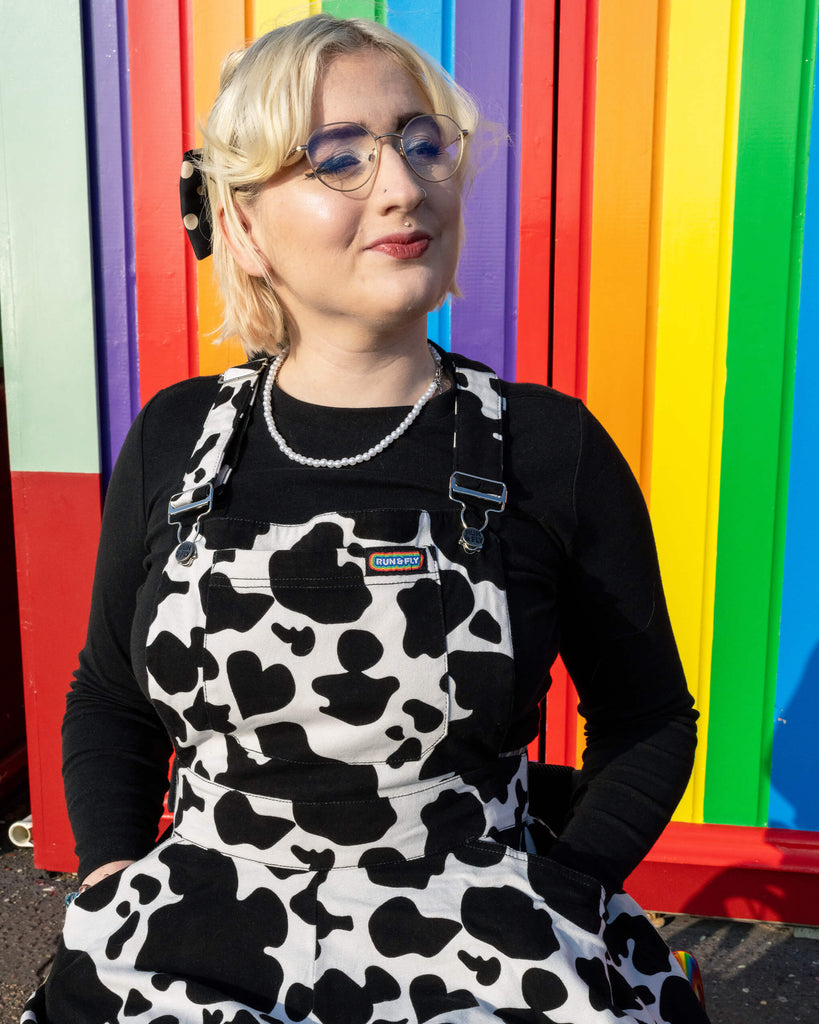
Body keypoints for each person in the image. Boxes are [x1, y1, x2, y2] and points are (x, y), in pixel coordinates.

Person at [23, 14, 709, 1024]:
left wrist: (567, 890)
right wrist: (113, 876)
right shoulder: (177, 439)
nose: (403, 185)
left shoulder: (550, 448)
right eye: (338, 158)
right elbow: (111, 696)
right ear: (246, 223)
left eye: (421, 141)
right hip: (196, 935)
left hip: (484, 941)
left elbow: (650, 718)